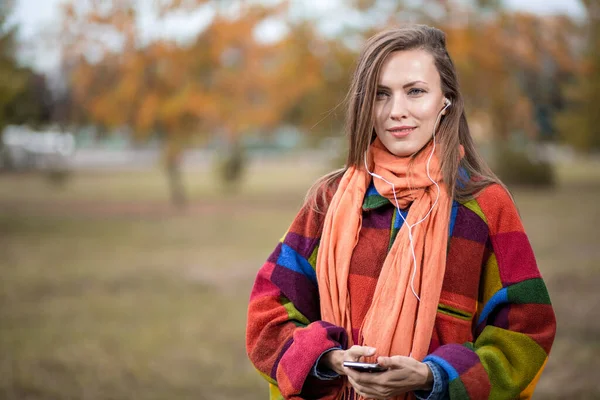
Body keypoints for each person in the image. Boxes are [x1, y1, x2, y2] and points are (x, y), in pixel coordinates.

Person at [246, 25, 556, 400]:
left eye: (415, 91)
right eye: (381, 95)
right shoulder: (328, 201)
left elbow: (525, 332)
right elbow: (268, 312)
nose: (397, 111)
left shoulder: (485, 206)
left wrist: (433, 376)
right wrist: (330, 360)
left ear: (446, 100)